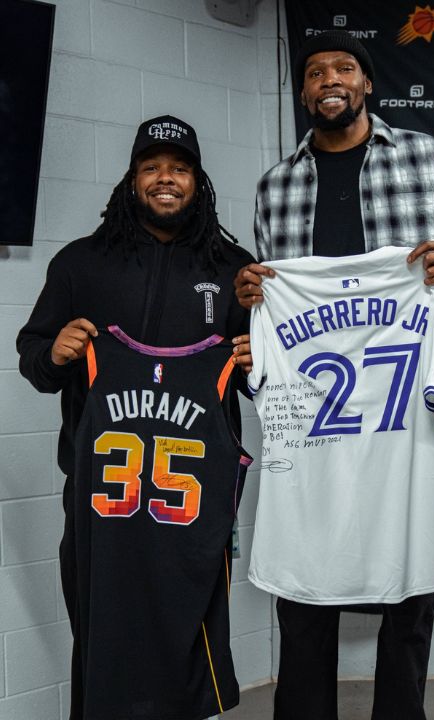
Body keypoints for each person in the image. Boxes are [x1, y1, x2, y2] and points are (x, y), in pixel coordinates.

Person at [232, 31, 434, 720]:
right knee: (305, 576)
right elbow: (269, 298)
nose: (329, 81)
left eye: (344, 68)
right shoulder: (276, 184)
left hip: (402, 401)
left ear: (367, 83)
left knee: (410, 581)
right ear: (303, 91)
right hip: (316, 402)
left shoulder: (426, 158)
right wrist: (252, 296)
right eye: (315, 73)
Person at [15, 115, 255, 718]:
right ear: (131, 179)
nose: (165, 179)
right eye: (152, 167)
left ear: (198, 182)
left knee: (189, 644)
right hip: (102, 498)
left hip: (191, 501)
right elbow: (34, 360)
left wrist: (261, 364)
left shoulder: (233, 269)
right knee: (102, 640)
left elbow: (265, 385)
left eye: (180, 168)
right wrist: (53, 354)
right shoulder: (80, 263)